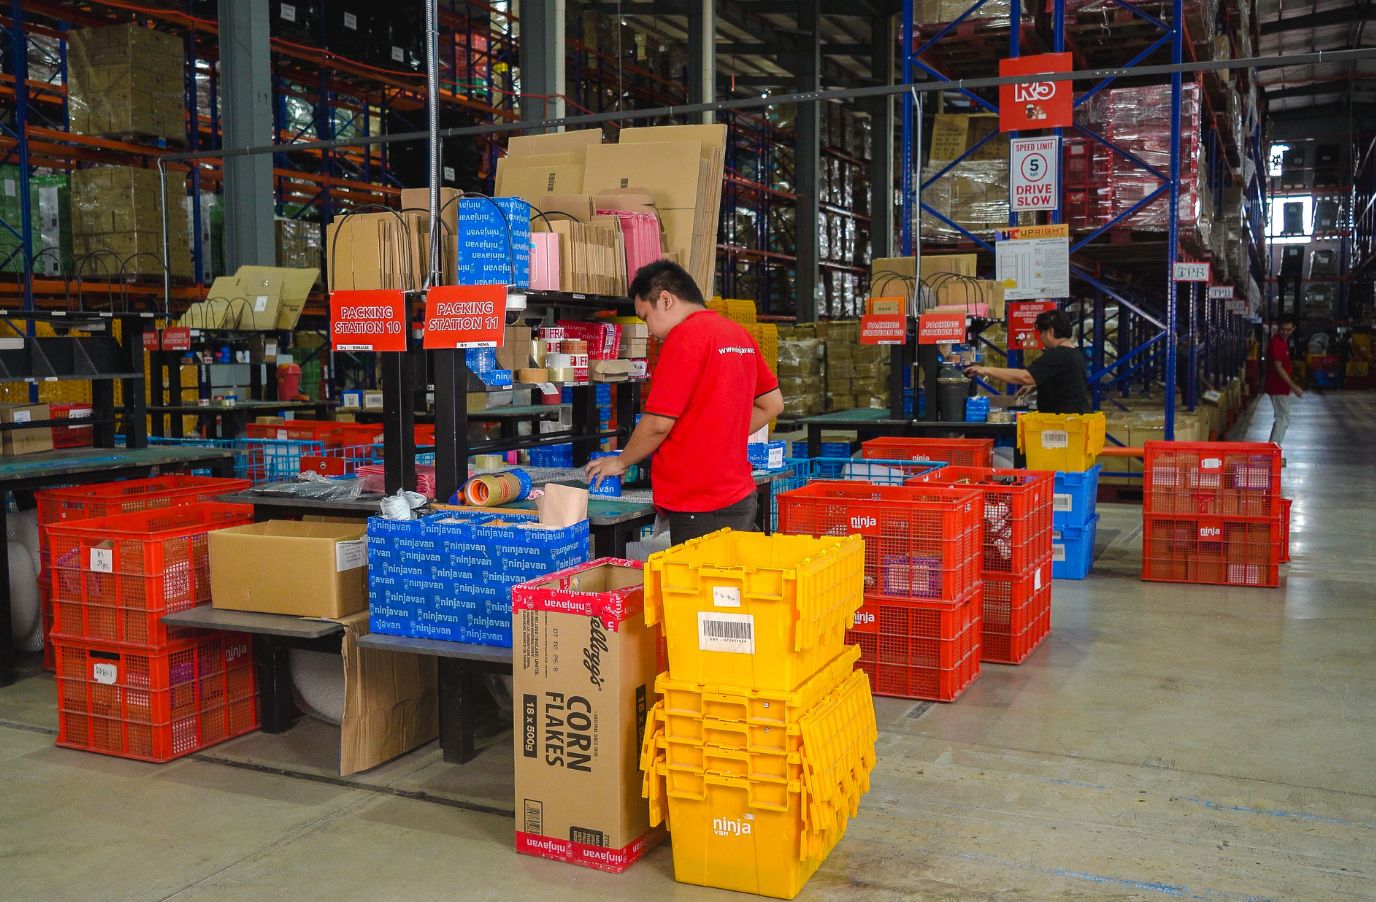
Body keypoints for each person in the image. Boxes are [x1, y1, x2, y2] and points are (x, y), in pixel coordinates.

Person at [584, 260, 784, 545]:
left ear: (665, 299)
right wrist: (722, 436)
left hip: (700, 503)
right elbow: (773, 404)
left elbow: (657, 424)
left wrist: (620, 461)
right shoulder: (738, 334)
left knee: (698, 576)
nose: (649, 331)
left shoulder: (685, 337)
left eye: (646, 317)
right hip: (738, 496)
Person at [965, 309, 1090, 414]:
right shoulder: (1074, 353)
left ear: (1050, 331)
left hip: (1065, 422)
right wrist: (1036, 385)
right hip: (1074, 416)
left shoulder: (1058, 354)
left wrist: (985, 370)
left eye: (1041, 332)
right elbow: (1066, 381)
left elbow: (1025, 377)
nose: (1041, 337)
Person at [1264, 320, 1304, 445]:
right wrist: (1293, 386)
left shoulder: (1283, 342)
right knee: (1282, 417)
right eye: (1282, 329)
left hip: (1280, 386)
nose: (1285, 332)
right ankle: (1272, 449)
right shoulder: (1277, 343)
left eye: (1288, 330)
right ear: (1278, 328)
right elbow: (1278, 366)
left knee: (1282, 417)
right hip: (1277, 386)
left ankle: (1272, 448)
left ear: (1293, 328)